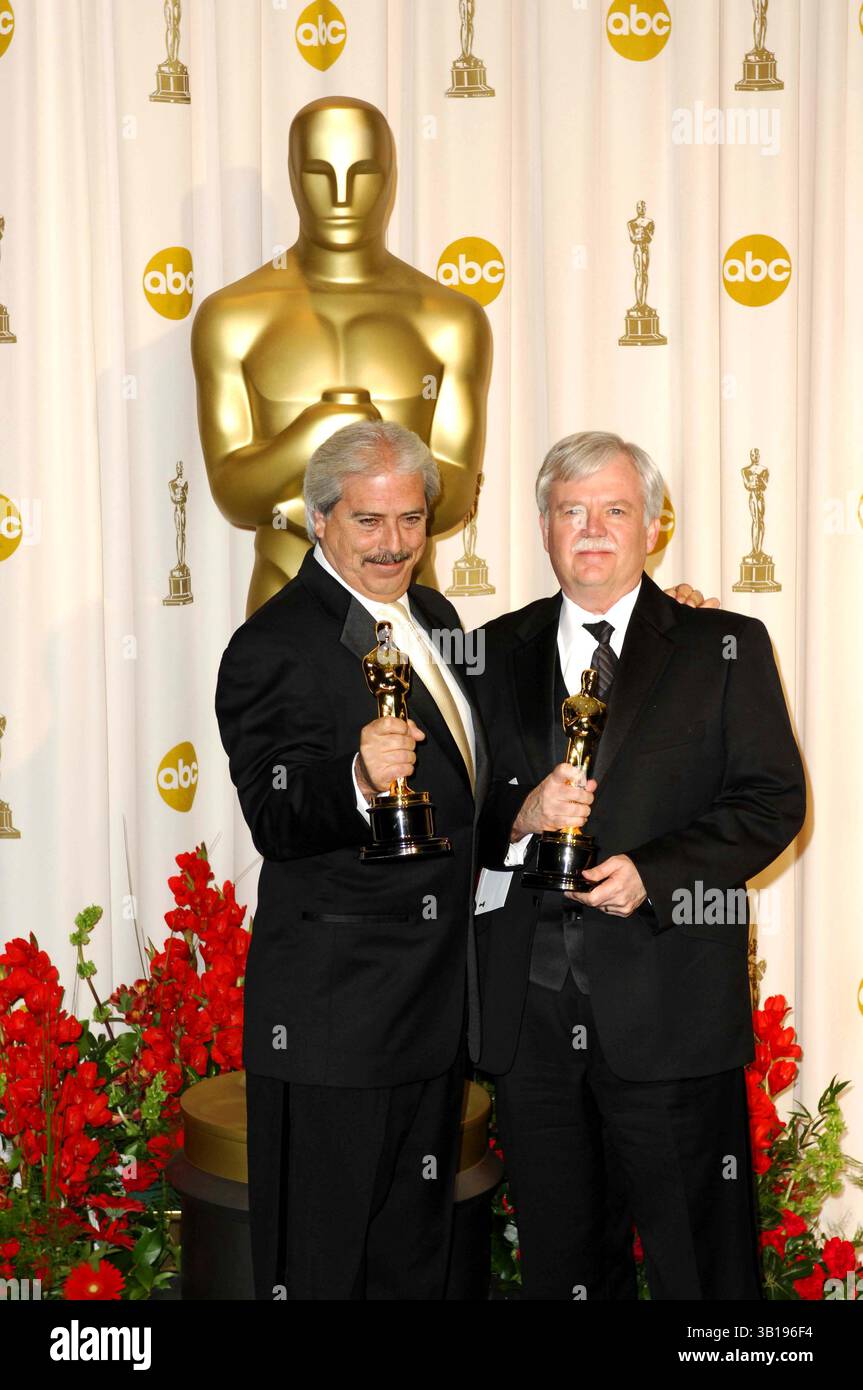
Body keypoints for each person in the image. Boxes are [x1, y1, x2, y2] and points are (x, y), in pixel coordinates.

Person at [474, 429, 805, 1300]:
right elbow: (448, 815)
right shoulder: (487, 653)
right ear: (543, 526)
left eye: (614, 510)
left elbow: (771, 801)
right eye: (570, 511)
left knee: (703, 1269)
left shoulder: (723, 643)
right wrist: (518, 818)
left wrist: (654, 875)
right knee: (564, 1268)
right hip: (530, 1025)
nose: (590, 529)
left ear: (653, 526)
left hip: (670, 1009)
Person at [215, 419, 488, 1299]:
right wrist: (358, 779)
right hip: (336, 1023)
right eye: (369, 521)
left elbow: (478, 760)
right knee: (321, 1271)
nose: (394, 543)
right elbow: (276, 814)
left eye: (411, 519)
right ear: (319, 520)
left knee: (412, 1264)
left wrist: (657, 626)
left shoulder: (436, 617)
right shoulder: (273, 643)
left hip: (433, 1011)